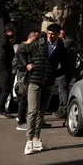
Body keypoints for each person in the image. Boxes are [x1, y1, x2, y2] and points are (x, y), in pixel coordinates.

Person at [19, 23, 66, 154]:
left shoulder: (61, 47)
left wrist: (54, 74)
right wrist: (26, 64)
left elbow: (66, 65)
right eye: (48, 33)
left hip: (48, 83)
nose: (50, 36)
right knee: (33, 111)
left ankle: (36, 139)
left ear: (58, 34)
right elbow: (21, 52)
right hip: (34, 80)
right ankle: (29, 141)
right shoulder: (39, 43)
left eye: (53, 34)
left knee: (41, 111)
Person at [14, 30, 39, 132]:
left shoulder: (32, 47)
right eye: (36, 38)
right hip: (23, 75)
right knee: (23, 97)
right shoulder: (23, 47)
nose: (38, 40)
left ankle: (27, 119)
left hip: (29, 74)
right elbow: (19, 60)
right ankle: (21, 122)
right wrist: (26, 65)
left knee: (29, 98)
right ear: (31, 37)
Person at [54, 27, 77, 117]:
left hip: (65, 70)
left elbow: (62, 47)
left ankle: (64, 109)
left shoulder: (67, 42)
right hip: (61, 70)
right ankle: (61, 108)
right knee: (60, 90)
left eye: (60, 33)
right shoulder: (63, 42)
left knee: (63, 89)